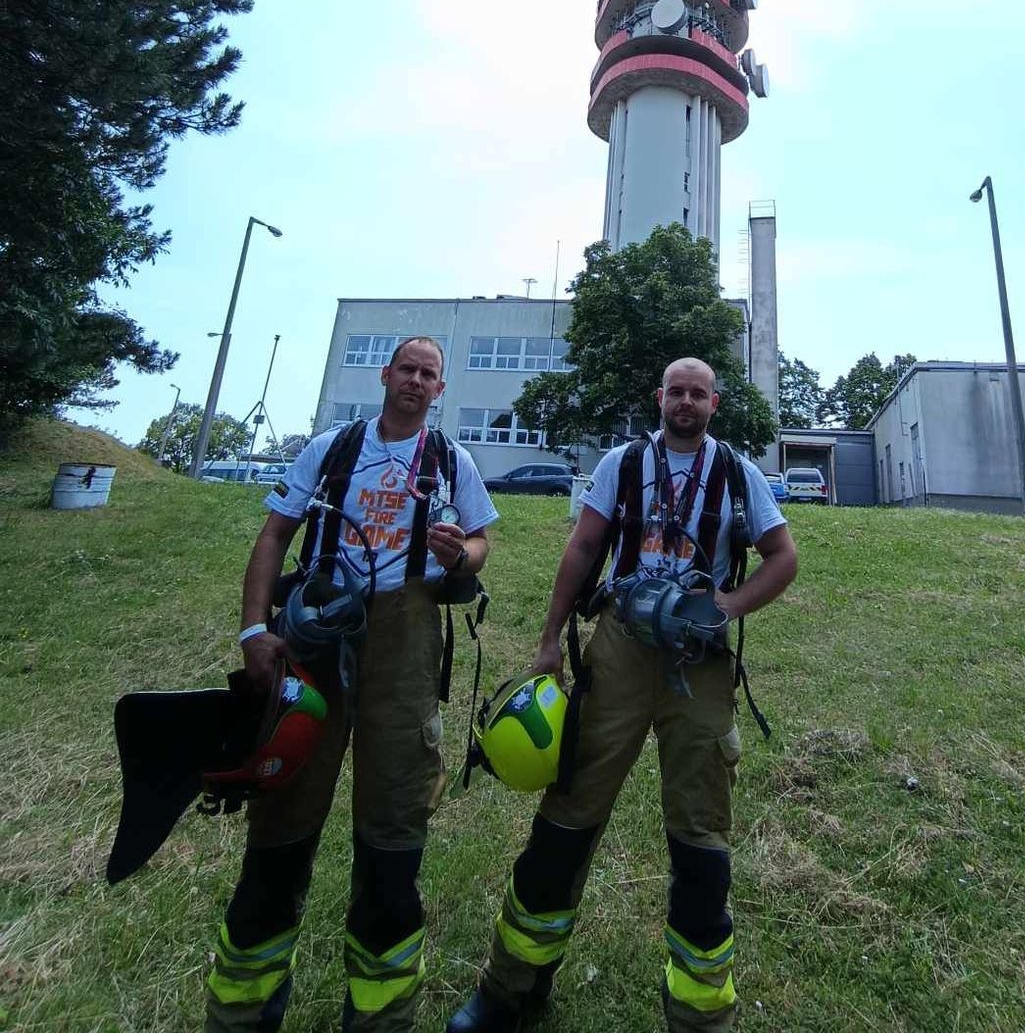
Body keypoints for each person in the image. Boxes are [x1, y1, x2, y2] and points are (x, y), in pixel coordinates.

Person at [449, 357, 797, 1033]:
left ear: (714, 403)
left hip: (698, 665)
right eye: (676, 391)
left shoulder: (736, 474)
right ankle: (510, 989)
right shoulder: (623, 464)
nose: (687, 401)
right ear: (659, 397)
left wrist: (726, 605)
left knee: (701, 836)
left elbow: (783, 556)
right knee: (567, 814)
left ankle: (699, 1018)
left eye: (699, 393)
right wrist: (550, 639)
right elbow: (583, 549)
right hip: (617, 650)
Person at [206, 335, 498, 1033]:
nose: (417, 381)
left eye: (430, 373)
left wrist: (465, 553)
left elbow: (484, 542)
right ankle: (242, 1012)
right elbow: (275, 535)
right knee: (285, 807)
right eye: (407, 369)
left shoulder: (452, 461)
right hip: (316, 638)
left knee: (394, 818)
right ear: (385, 375)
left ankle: (379, 1016)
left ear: (440, 390)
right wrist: (253, 632)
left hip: (408, 642)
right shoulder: (332, 450)